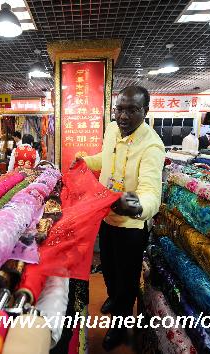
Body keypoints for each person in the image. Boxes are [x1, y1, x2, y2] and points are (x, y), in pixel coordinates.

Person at [72, 86, 165, 351]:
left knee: (127, 280)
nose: (123, 116)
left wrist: (136, 207)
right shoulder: (112, 130)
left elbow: (151, 194)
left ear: (144, 112)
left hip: (131, 226)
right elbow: (106, 158)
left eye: (131, 110)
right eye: (119, 109)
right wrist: (86, 162)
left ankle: (121, 324)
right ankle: (115, 298)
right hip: (106, 217)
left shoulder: (152, 145)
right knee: (110, 271)